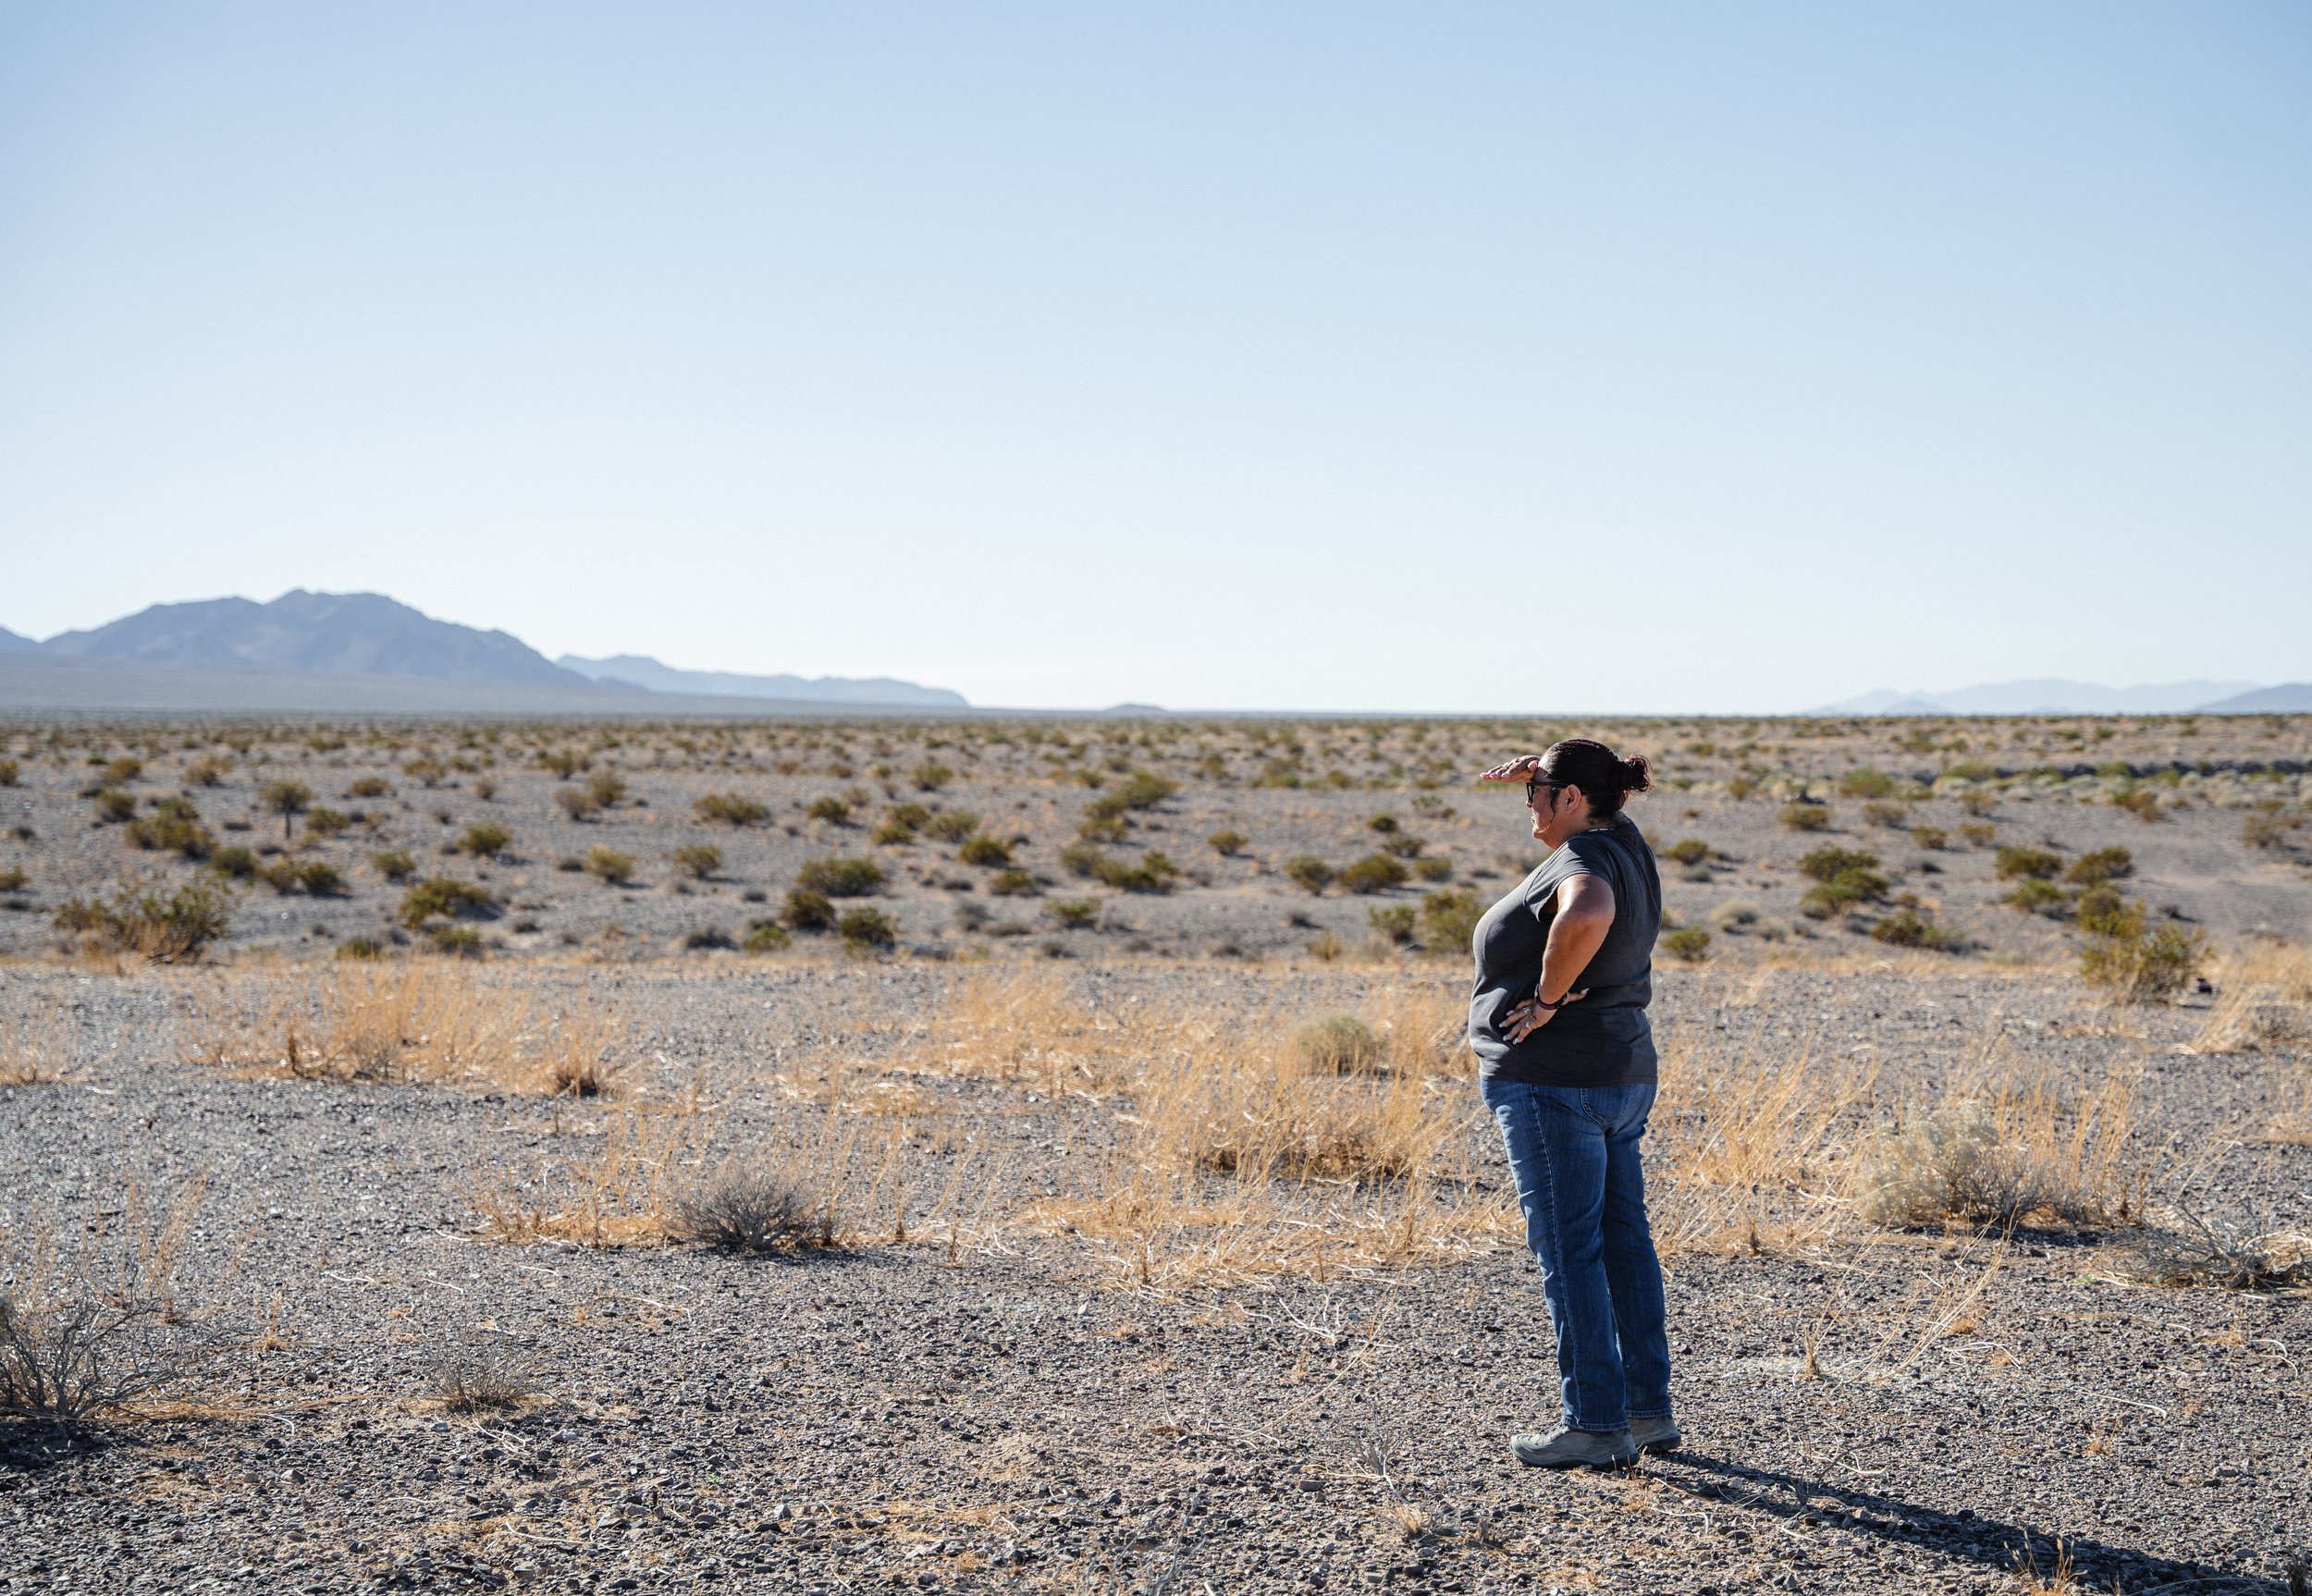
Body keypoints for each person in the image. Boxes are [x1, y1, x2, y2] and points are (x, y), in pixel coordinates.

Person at [1470, 738, 1675, 1469]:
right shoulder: (1623, 837)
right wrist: (1549, 774)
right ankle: (1647, 1412)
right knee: (1623, 1242)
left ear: (1570, 801)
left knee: (1571, 1253)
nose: (1528, 805)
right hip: (1620, 1072)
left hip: (1556, 1082)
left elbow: (1586, 912)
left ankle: (1593, 1423)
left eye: (1539, 795)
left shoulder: (1583, 863)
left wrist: (1547, 999)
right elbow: (1592, 806)